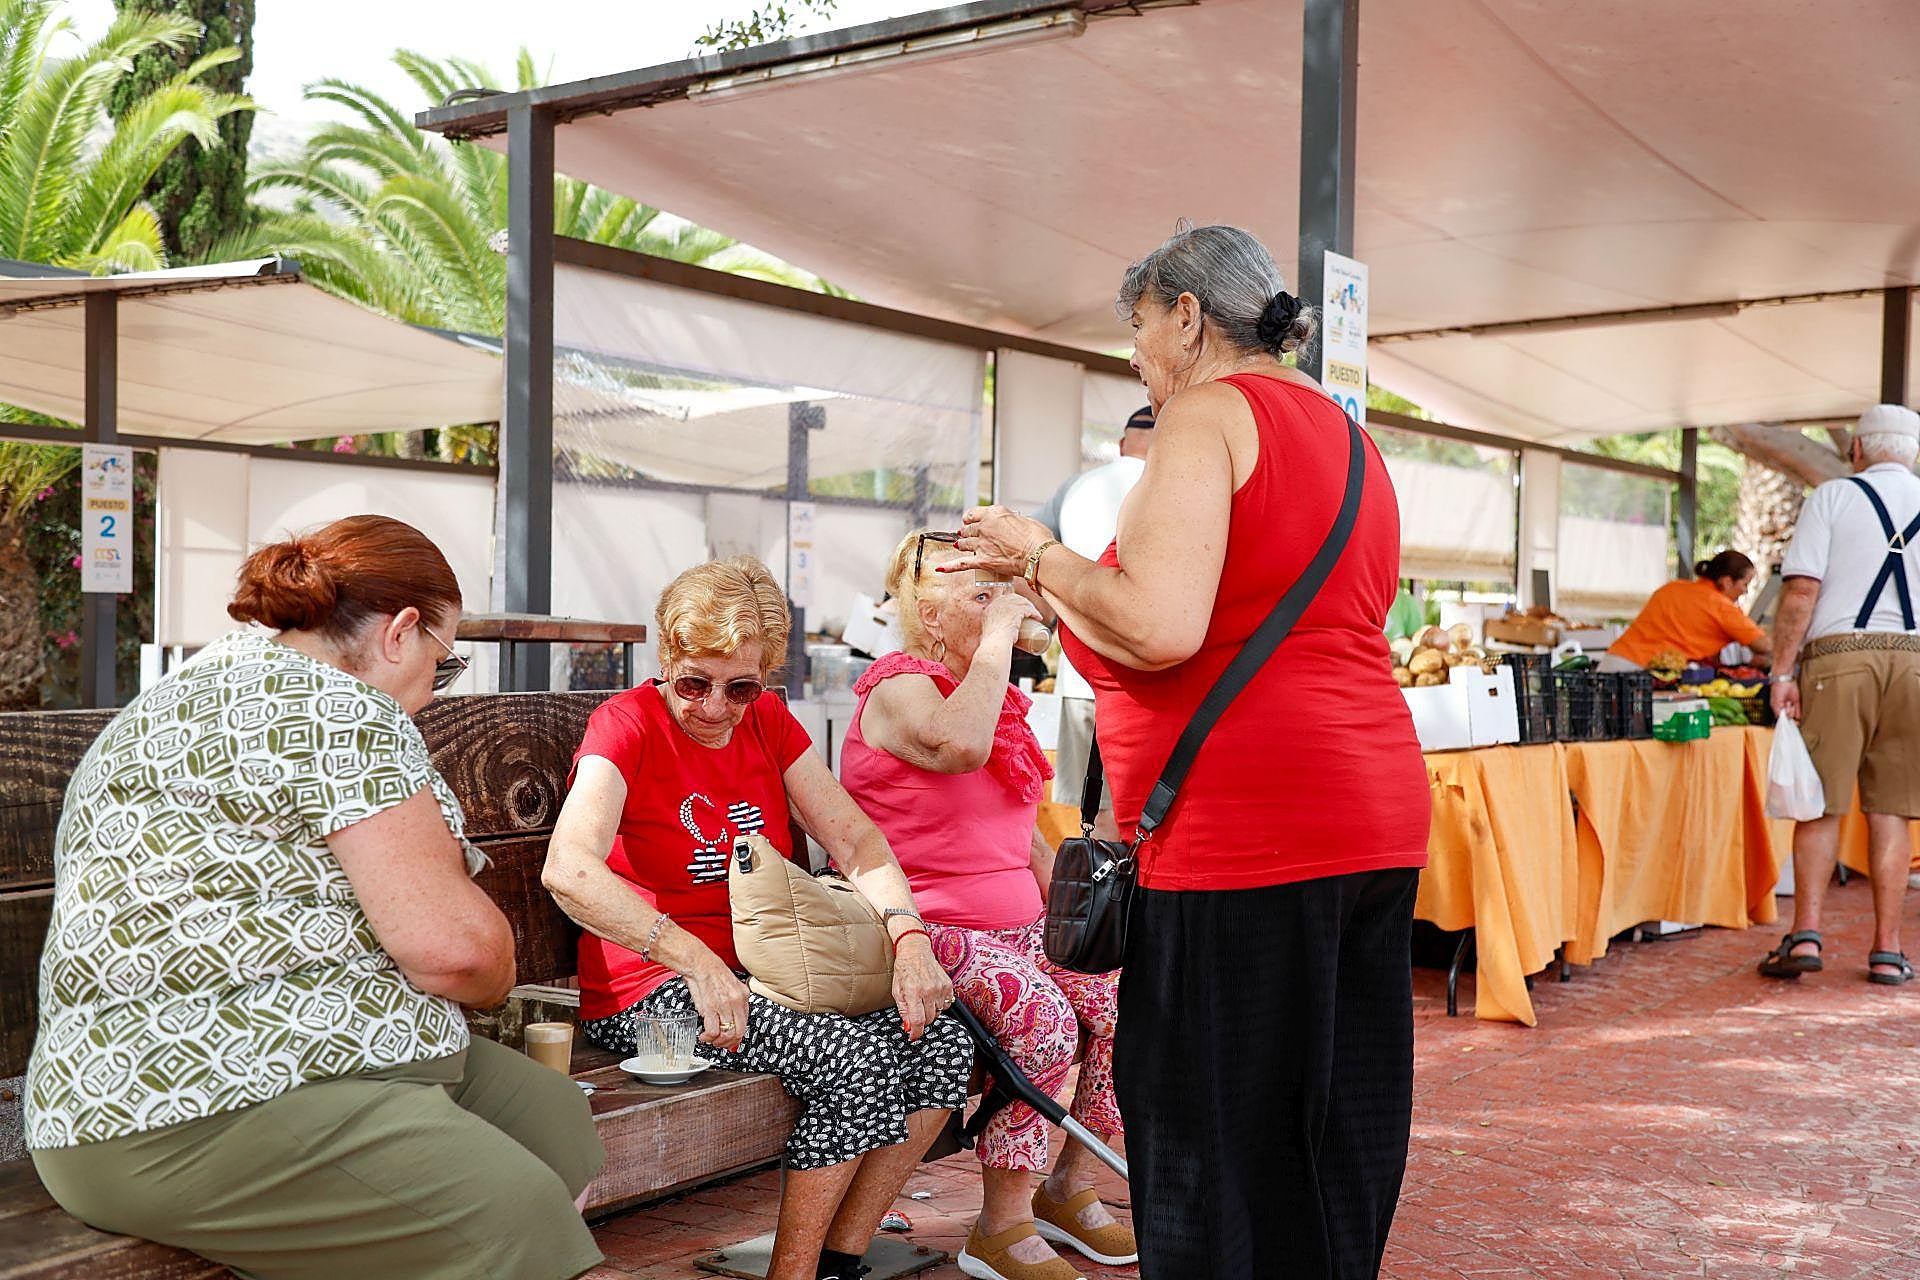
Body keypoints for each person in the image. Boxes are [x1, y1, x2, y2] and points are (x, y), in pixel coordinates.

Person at [944, 222, 1431, 1280]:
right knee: (1335, 1123)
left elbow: (1161, 623)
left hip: (1248, 827)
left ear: (1186, 315)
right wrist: (1065, 587)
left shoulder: (1206, 413)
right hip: (1372, 809)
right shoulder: (1348, 434)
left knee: (1213, 1138)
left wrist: (1040, 550)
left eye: (1136, 327)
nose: (1134, 355)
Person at [26, 515, 605, 1280]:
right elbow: (456, 955)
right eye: (446, 661)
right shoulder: (345, 713)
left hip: (152, 1086)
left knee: (557, 1125)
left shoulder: (187, 692)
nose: (436, 689)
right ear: (401, 632)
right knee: (516, 1214)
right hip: (200, 1102)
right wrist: (492, 965)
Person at [542, 556, 973, 1280]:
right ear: (667, 658)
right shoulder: (627, 724)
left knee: (943, 1044)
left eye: (740, 686)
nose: (714, 706)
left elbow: (858, 840)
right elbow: (569, 868)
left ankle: (841, 1258)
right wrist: (698, 962)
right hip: (652, 993)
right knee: (854, 1061)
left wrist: (909, 938)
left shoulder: (768, 721)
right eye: (694, 683)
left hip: (763, 972)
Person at [841, 530, 1133, 1280]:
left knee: (1118, 1001)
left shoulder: (996, 697)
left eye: (1000, 594)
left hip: (1013, 924)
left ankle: (1070, 1186)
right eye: (977, 597)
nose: (1001, 606)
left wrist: (1073, 925)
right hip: (924, 929)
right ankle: (999, 1227)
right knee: (1041, 1017)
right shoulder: (898, 684)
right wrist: (1003, 634)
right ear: (930, 619)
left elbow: (1020, 834)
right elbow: (959, 748)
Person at [1759, 403, 1920, 986]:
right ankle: (1887, 949)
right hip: (1915, 663)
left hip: (1839, 659)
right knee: (1893, 808)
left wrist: (1782, 672)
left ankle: (1805, 935)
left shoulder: (1832, 497)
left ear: (1857, 449)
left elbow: (1801, 590)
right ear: (1914, 454)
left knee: (1821, 802)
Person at [1032, 407, 1155, 839]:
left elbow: (1030, 565)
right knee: (1147, 806)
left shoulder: (1077, 487)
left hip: (1080, 676)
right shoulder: (1168, 487)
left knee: (1096, 807)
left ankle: (1103, 895)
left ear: (1123, 445)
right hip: (1150, 681)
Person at [1600, 549, 1772, 672]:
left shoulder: (1672, 588)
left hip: (1614, 662)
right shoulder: (1720, 606)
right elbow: (1763, 645)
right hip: (1642, 677)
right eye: (1745, 584)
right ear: (1727, 581)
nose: (1745, 591)